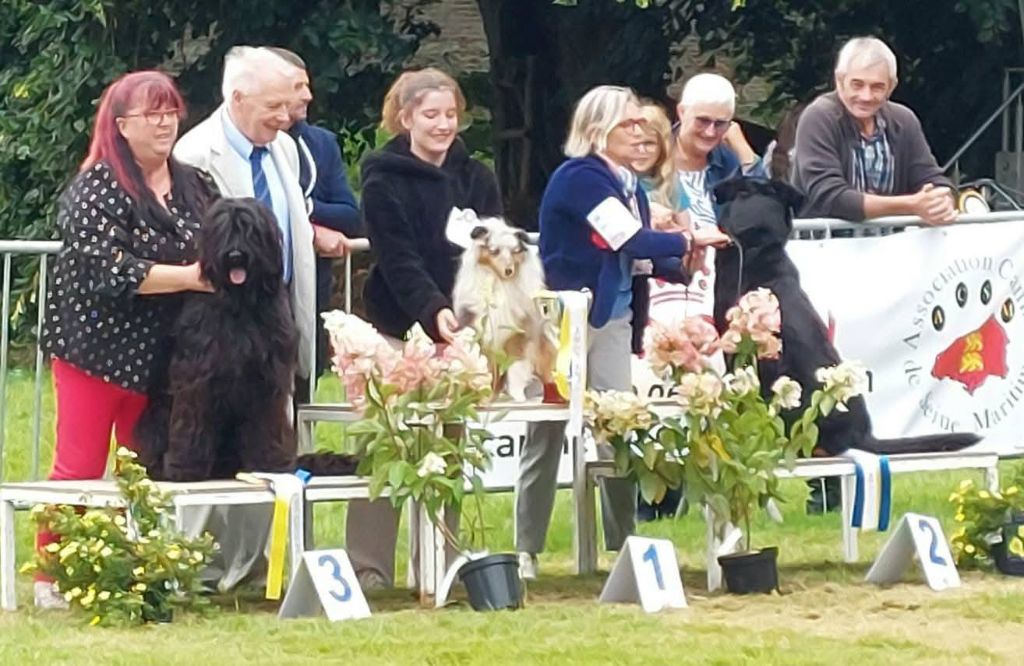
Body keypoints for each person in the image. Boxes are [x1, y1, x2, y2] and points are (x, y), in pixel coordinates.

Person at [517, 85, 731, 575]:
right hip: (564, 322)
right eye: (627, 124)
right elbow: (626, 237)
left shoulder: (630, 183)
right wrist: (686, 237)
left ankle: (623, 543)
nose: (640, 132)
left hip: (612, 317)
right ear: (597, 131)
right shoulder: (580, 177)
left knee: (618, 425)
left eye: (640, 123)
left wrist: (680, 264)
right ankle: (526, 550)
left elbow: (634, 257)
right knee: (545, 433)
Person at [37, 70, 218, 608]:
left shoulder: (195, 183)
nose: (165, 123)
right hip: (94, 351)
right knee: (79, 467)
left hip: (165, 356)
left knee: (145, 465)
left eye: (171, 111)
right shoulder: (95, 187)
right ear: (120, 126)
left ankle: (134, 566)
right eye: (151, 114)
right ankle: (49, 575)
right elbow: (109, 269)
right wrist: (187, 277)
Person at [349, 67, 512, 588]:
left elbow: (494, 252)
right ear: (406, 118)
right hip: (399, 326)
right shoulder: (381, 177)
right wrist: (432, 309)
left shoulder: (477, 178)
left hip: (462, 333)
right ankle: (368, 565)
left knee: (449, 445)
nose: (443, 125)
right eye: (431, 115)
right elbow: (398, 259)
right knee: (390, 443)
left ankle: (441, 562)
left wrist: (480, 317)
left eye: (450, 115)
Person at [173, 45, 316, 589]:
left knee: (269, 444)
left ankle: (256, 565)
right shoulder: (196, 155)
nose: (287, 115)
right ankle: (197, 564)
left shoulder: (285, 150)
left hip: (272, 312)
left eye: (288, 104)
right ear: (237, 97)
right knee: (202, 432)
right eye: (275, 105)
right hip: (216, 317)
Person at [266, 47, 361, 389]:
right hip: (260, 292)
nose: (308, 95)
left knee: (305, 392)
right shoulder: (246, 147)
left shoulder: (321, 144)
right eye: (296, 87)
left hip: (309, 289)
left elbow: (351, 216)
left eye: (307, 85)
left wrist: (304, 214)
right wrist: (307, 225)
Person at [792, 36, 956, 225]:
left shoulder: (904, 120)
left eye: (877, 87)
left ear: (891, 87)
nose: (866, 96)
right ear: (839, 80)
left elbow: (932, 177)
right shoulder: (819, 117)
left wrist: (941, 201)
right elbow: (830, 197)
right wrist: (911, 205)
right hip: (825, 244)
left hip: (893, 244)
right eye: (857, 85)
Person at [630, 101, 688, 522]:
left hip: (672, 299)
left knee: (673, 396)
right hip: (633, 299)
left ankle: (672, 487)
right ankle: (639, 492)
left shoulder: (675, 186)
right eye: (635, 141)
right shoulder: (612, 185)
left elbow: (687, 241)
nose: (642, 150)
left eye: (651, 142)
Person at [671, 73, 768, 322]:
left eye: (721, 123)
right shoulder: (654, 153)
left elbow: (764, 207)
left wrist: (744, 151)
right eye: (702, 121)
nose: (710, 131)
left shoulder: (727, 159)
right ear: (681, 112)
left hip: (723, 283)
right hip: (667, 283)